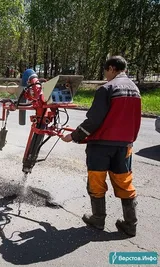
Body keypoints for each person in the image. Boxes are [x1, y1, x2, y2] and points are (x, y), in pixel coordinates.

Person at [61, 56, 141, 237]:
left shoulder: (107, 88)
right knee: (124, 182)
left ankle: (98, 219)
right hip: (124, 146)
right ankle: (130, 225)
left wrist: (73, 136)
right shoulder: (135, 90)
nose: (105, 75)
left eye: (105, 71)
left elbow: (94, 121)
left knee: (96, 181)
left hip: (101, 146)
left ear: (111, 68)